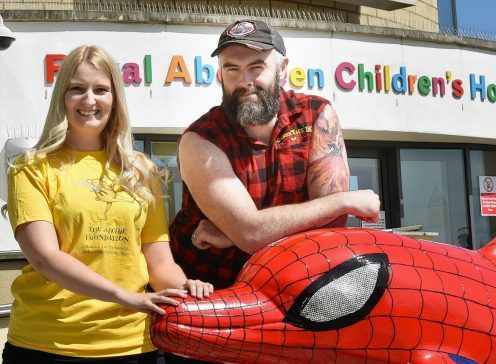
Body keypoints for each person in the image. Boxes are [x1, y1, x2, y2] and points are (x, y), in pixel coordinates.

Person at [1, 45, 213, 363]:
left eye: (101, 89)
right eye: (77, 89)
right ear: (61, 97)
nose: (89, 100)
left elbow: (159, 264)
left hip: (135, 345)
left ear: (114, 99)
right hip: (48, 345)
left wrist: (185, 286)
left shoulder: (142, 171)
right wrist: (124, 296)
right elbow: (45, 258)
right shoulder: (31, 168)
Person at [170, 19, 380, 290]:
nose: (245, 82)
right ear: (220, 75)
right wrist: (342, 201)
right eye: (232, 69)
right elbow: (251, 233)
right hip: (210, 295)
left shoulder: (316, 115)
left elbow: (329, 230)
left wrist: (234, 234)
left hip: (293, 289)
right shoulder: (200, 140)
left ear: (282, 68)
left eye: (257, 67)